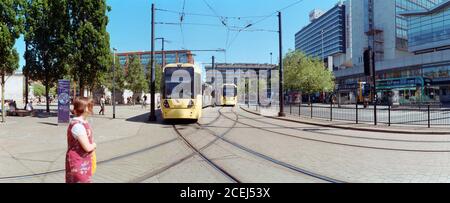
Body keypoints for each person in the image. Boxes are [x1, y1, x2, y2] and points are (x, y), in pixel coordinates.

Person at [66, 97, 97, 183]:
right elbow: (87, 147)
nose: (91, 109)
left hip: (82, 160)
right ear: (85, 108)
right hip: (78, 161)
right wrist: (94, 145)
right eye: (90, 106)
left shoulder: (82, 122)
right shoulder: (78, 126)